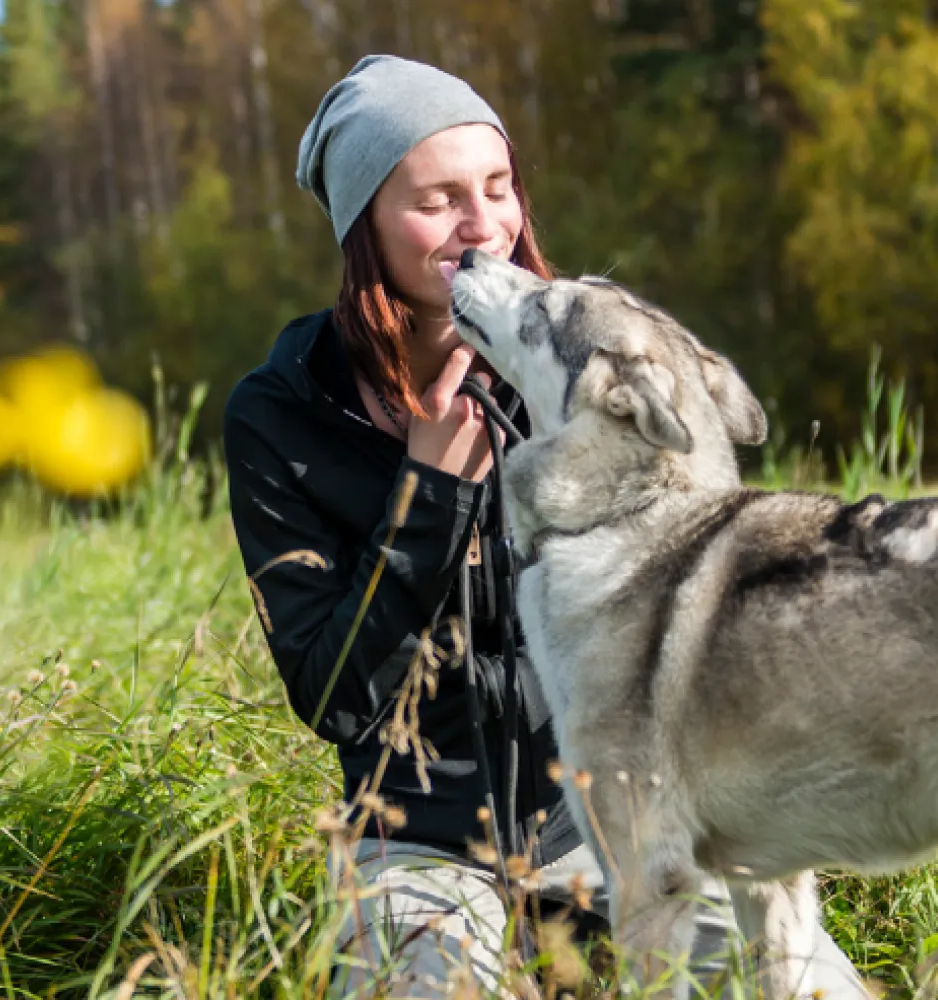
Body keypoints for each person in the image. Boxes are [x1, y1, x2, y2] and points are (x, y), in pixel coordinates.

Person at [224, 54, 868, 999]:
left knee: (811, 988)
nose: (484, 224)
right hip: (418, 846)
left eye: (498, 186)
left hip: (616, 818)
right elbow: (336, 697)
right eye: (437, 200)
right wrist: (428, 492)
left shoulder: (571, 364)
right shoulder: (281, 416)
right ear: (364, 224)